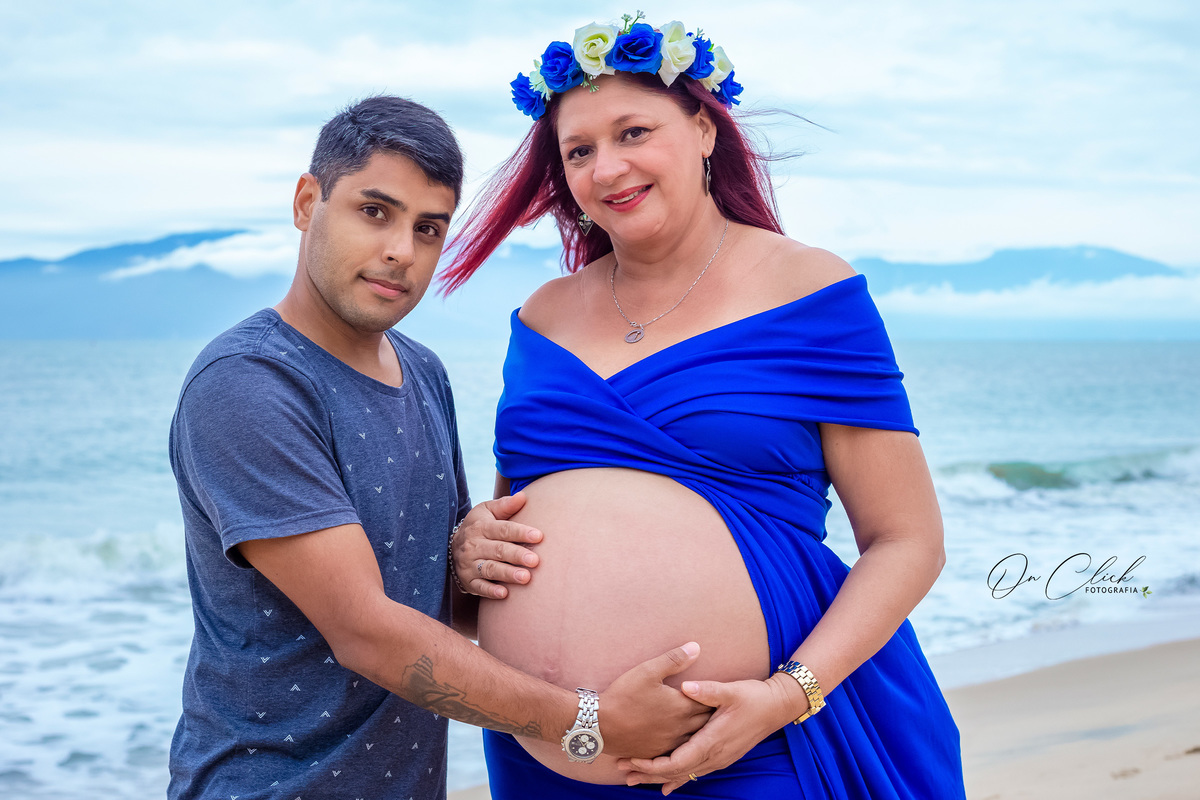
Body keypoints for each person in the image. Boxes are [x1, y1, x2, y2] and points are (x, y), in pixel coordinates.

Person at [445, 16, 968, 799]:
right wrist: (465, 552)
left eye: (633, 132)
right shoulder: (542, 318)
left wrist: (788, 695)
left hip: (760, 737)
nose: (607, 167)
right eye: (578, 150)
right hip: (552, 752)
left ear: (702, 129)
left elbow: (908, 541)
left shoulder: (809, 291)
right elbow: (508, 529)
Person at [166, 94, 709, 800]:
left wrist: (471, 556)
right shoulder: (248, 384)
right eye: (374, 211)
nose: (401, 251)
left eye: (428, 228)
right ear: (306, 202)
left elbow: (443, 600)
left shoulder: (421, 371)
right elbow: (368, 632)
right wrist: (592, 724)